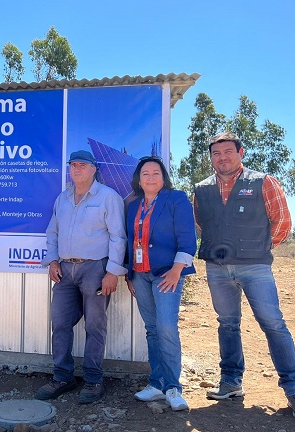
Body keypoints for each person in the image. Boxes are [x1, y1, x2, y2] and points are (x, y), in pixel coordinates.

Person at [194, 132, 295, 420]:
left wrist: (258, 248)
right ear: (211, 157)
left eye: (227, 152)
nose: (222, 157)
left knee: (273, 324)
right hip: (217, 268)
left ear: (241, 152)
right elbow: (201, 223)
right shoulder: (202, 188)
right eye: (216, 153)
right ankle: (231, 383)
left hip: (255, 267)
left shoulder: (263, 181)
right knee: (227, 324)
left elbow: (282, 221)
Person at [37, 150, 127, 404]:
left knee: (94, 326)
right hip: (65, 271)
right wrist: (53, 260)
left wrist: (112, 271)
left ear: (94, 169)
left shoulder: (108, 197)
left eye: (82, 165)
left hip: (95, 270)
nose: (76, 169)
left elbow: (118, 236)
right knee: (61, 323)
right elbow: (52, 232)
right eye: (73, 165)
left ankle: (93, 380)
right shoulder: (62, 199)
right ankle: (63, 377)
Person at [124, 156, 196, 411]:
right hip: (140, 275)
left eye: (156, 173)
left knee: (166, 327)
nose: (151, 177)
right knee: (152, 329)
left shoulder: (176, 199)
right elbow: (129, 242)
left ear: (163, 177)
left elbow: (188, 239)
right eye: (146, 173)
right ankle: (156, 384)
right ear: (139, 179)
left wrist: (177, 270)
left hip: (167, 274)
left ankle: (174, 387)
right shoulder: (133, 206)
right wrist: (129, 274)